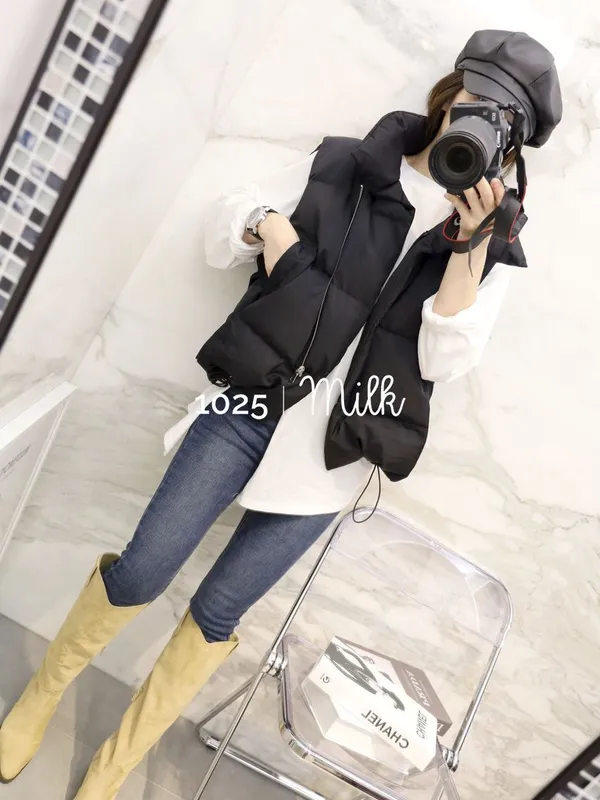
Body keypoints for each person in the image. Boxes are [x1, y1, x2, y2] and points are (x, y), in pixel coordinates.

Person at [0, 29, 561, 798]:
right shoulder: (352, 165)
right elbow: (226, 220)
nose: (480, 117)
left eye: (504, 115)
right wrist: (270, 228)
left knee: (218, 612)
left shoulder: (493, 241)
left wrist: (469, 246)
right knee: (145, 567)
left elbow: (442, 362)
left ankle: (115, 765)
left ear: (513, 142)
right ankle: (43, 694)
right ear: (451, 90)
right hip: (250, 404)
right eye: (478, 96)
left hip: (333, 458)